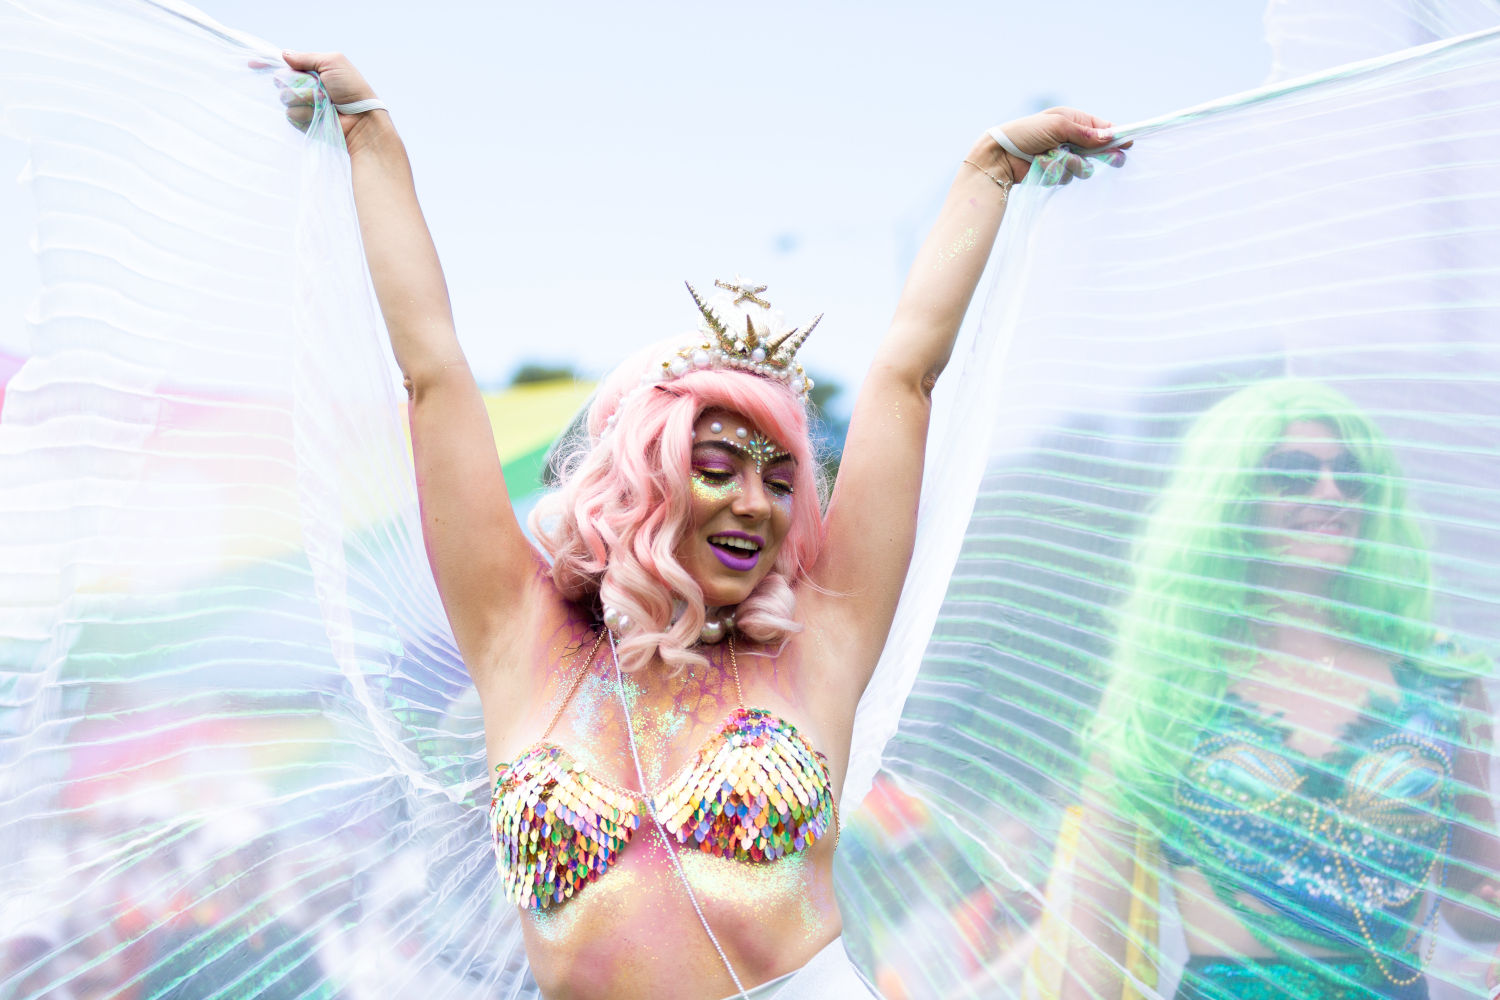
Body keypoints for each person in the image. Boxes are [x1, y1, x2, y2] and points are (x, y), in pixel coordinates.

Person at [275, 49, 1120, 1000]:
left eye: (780, 478)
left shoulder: (820, 642)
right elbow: (432, 374)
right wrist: (370, 136)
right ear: (641, 485)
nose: (754, 504)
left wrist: (990, 171)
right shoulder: (521, 639)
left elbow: (905, 381)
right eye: (715, 470)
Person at [1052, 379, 1500, 1000]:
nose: (1330, 491)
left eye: (1350, 474)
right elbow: (1094, 936)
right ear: (1229, 500)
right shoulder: (1163, 695)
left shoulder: (1441, 684)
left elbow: (1473, 902)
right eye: (1292, 473)